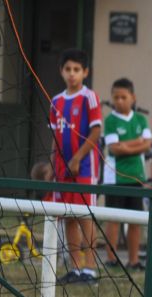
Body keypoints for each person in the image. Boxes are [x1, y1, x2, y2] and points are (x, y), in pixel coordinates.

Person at [49, 48, 102, 284]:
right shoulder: (56, 101)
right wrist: (52, 165)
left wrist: (78, 158)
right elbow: (55, 137)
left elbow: (96, 131)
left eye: (77, 69)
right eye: (68, 69)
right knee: (68, 216)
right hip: (62, 170)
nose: (72, 74)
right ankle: (75, 267)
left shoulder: (89, 97)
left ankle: (90, 269)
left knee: (85, 216)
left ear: (85, 72)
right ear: (61, 71)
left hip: (84, 168)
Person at [101, 78, 152, 270]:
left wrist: (126, 146)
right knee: (114, 219)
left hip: (136, 176)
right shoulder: (110, 121)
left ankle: (134, 260)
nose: (119, 101)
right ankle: (111, 259)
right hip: (115, 177)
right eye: (116, 98)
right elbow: (114, 149)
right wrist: (137, 143)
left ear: (133, 98)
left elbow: (147, 144)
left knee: (135, 220)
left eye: (123, 97)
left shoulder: (140, 119)